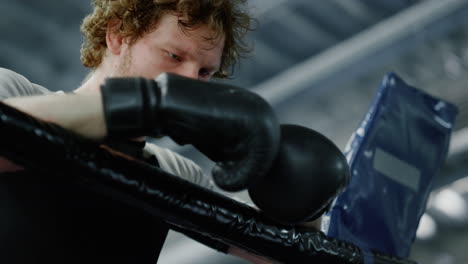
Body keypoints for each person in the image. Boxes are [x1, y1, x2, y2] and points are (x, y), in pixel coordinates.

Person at [0, 0, 324, 263]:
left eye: (204, 71)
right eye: (174, 55)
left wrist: (300, 196)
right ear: (118, 35)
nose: (188, 80)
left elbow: (283, 255)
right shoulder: (13, 90)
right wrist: (147, 105)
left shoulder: (173, 171)